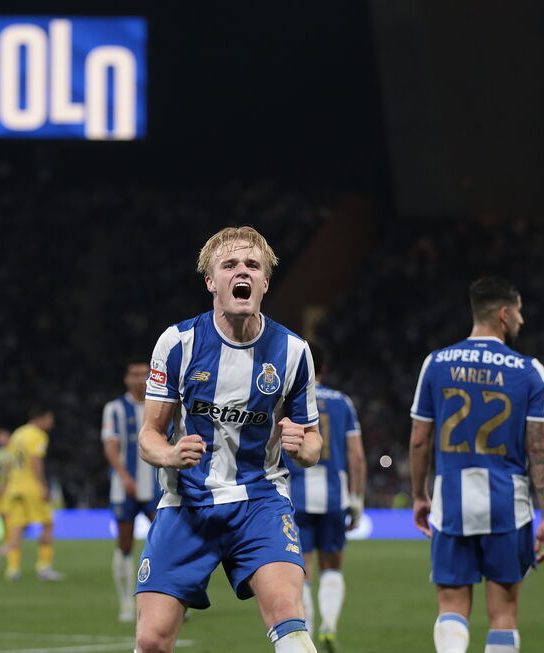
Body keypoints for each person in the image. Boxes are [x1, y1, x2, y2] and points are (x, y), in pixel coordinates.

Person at [136, 226, 323, 653]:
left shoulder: (293, 352)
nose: (243, 271)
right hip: (188, 505)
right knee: (150, 641)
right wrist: (169, 453)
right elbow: (149, 434)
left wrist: (304, 446)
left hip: (260, 500)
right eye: (231, 265)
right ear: (211, 281)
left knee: (289, 618)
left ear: (265, 282)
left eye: (253, 265)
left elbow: (313, 445)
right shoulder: (178, 342)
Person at [409, 276, 544, 653]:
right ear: (504, 314)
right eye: (520, 311)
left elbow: (419, 439)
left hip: (452, 502)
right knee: (503, 613)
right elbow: (538, 448)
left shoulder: (436, 363)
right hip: (508, 505)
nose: (522, 319)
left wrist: (420, 496)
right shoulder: (529, 370)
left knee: (451, 607)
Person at [282, 342, 365, 652]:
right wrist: (356, 498)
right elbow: (356, 455)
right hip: (334, 496)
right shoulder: (343, 402)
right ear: (325, 369)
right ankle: (329, 624)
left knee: (300, 568)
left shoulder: (287, 400)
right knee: (333, 566)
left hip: (296, 495)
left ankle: (308, 628)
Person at [102, 358, 162, 623]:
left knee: (166, 543)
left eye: (144, 374)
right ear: (127, 379)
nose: (140, 379)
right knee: (125, 544)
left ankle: (167, 604)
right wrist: (125, 477)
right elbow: (111, 447)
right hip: (123, 488)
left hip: (157, 487)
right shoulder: (114, 409)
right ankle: (126, 604)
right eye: (134, 374)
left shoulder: (160, 406)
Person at [2, 406, 64, 581]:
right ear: (40, 418)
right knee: (48, 524)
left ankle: (12, 569)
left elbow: (8, 462)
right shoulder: (38, 435)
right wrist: (42, 485)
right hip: (31, 487)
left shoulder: (17, 434)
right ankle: (44, 567)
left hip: (15, 486)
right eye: (49, 418)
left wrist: (7, 485)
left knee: (17, 527)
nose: (52, 422)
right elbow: (35, 460)